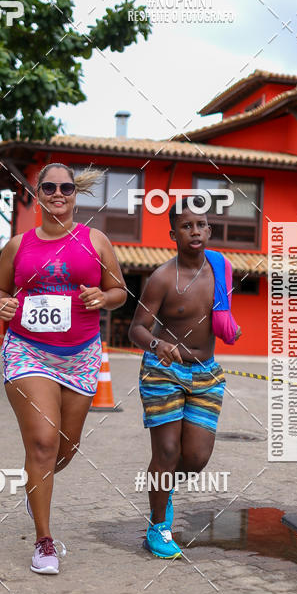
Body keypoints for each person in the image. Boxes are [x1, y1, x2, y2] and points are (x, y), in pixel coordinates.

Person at [0, 162, 127, 575]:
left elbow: (120, 291)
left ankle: (36, 482)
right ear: (38, 194)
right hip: (28, 350)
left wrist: (103, 298)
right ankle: (44, 541)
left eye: (66, 188)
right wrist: (1, 304)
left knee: (65, 449)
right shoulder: (18, 245)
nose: (58, 194)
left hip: (81, 355)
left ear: (74, 194)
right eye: (49, 187)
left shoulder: (96, 240)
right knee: (43, 444)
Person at [129, 196, 241, 559]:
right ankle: (158, 526)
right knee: (167, 451)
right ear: (173, 234)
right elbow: (136, 329)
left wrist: (232, 329)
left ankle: (162, 490)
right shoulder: (162, 278)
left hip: (206, 372)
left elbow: (221, 315)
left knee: (195, 458)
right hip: (163, 371)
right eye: (186, 225)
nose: (195, 231)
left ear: (209, 230)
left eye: (201, 224)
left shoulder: (221, 269)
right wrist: (157, 343)